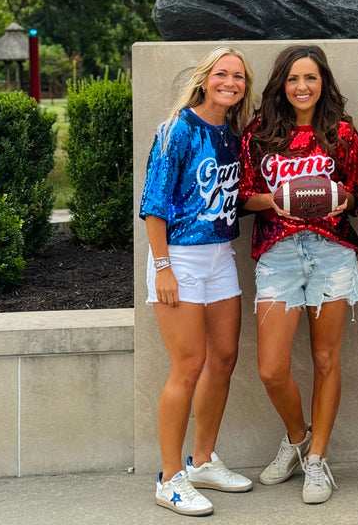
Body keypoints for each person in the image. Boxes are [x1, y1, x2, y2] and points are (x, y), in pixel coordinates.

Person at [239, 44, 358, 505]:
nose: (302, 87)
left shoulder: (342, 134)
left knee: (326, 360)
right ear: (282, 84)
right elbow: (244, 195)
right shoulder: (261, 133)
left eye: (310, 78)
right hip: (278, 252)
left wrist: (340, 198)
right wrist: (274, 200)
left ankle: (318, 461)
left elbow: (357, 194)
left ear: (323, 82)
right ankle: (298, 439)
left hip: (331, 251)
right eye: (293, 79)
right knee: (272, 369)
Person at [140, 47, 256, 517]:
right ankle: (169, 477)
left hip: (220, 257)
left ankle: (203, 460)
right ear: (206, 79)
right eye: (222, 74)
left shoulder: (232, 135)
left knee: (224, 358)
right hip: (180, 261)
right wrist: (163, 266)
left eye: (239, 77)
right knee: (187, 366)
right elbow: (154, 204)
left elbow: (240, 198)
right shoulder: (177, 129)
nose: (231, 82)